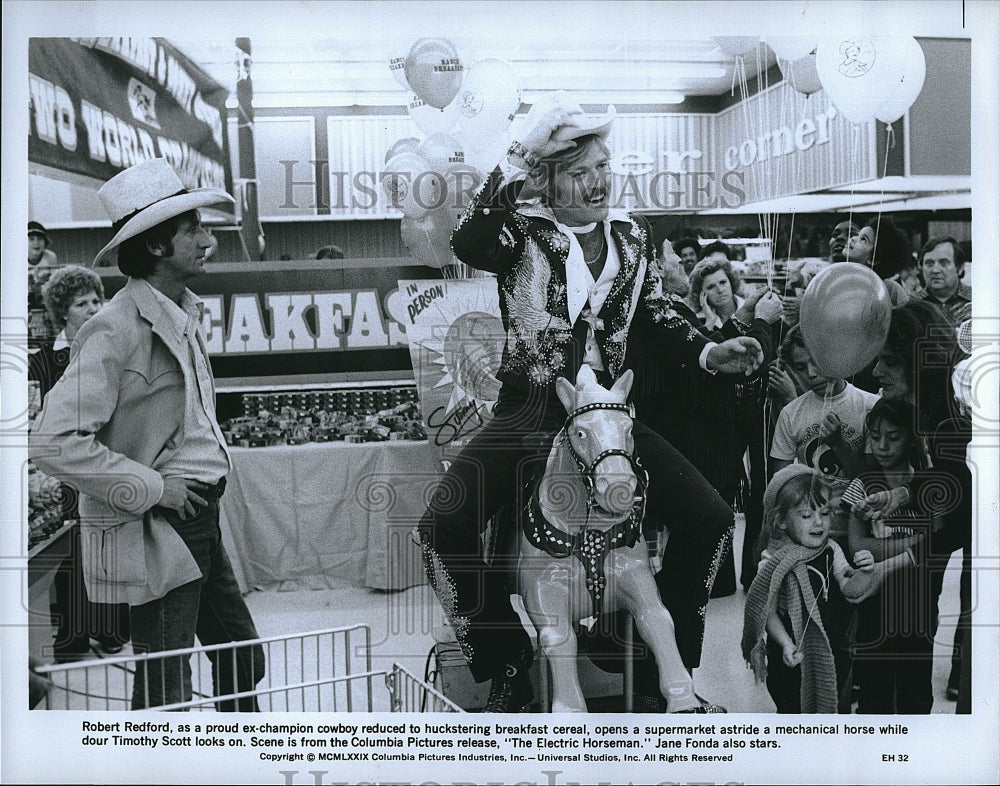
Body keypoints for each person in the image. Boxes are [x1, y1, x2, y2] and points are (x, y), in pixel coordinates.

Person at [416, 94, 763, 711]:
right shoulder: (519, 236)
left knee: (711, 520)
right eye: (580, 171)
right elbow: (468, 238)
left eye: (603, 165)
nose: (598, 181)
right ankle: (507, 661)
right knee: (442, 526)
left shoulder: (633, 235)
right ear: (547, 183)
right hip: (530, 411)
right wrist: (520, 156)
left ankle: (669, 662)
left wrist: (708, 353)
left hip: (614, 420)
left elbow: (652, 313)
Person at [30, 157, 265, 710]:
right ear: (158, 247)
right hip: (159, 523)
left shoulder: (179, 314)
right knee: (165, 680)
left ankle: (240, 760)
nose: (208, 239)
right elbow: (53, 441)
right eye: (195, 229)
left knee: (240, 655)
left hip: (198, 517)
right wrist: (156, 488)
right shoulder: (113, 330)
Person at [741, 465, 912, 713]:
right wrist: (786, 643)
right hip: (790, 655)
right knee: (792, 709)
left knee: (833, 705)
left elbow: (850, 589)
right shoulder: (772, 560)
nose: (819, 522)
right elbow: (767, 612)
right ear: (781, 522)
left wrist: (865, 571)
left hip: (832, 651)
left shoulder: (831, 549)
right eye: (806, 515)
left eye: (825, 512)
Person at [872, 299, 971, 710]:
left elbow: (955, 524)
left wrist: (886, 564)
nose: (876, 372)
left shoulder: (955, 418)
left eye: (889, 362)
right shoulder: (921, 408)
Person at [29, 265, 131, 659]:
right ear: (62, 311)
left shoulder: (110, 349)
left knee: (107, 546)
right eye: (81, 303)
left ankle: (110, 630)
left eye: (96, 300)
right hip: (60, 470)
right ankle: (71, 637)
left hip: (104, 462)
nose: (92, 308)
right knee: (72, 549)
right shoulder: (41, 363)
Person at [847, 398, 938, 713]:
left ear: (911, 437)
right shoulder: (862, 484)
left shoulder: (926, 487)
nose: (882, 446)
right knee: (874, 687)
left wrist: (887, 550)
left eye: (893, 437)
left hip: (919, 603)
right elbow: (857, 546)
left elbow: (938, 541)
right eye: (875, 436)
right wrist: (913, 544)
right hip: (875, 604)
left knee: (916, 688)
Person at [770, 326, 879, 484]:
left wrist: (838, 444)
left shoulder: (869, 406)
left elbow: (873, 482)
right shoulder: (790, 414)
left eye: (816, 361)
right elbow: (781, 483)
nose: (811, 373)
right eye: (801, 368)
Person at [687, 247, 745, 331]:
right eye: (711, 287)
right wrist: (709, 323)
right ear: (701, 294)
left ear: (731, 282)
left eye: (723, 282)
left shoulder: (750, 308)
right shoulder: (698, 320)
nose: (720, 290)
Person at [918, 236, 971, 324]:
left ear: (960, 268)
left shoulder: (978, 301)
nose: (935, 270)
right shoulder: (910, 305)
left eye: (944, 263)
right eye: (929, 264)